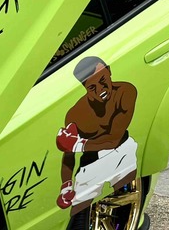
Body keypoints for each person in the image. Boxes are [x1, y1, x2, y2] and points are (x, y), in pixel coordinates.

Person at [55, 56, 138, 210]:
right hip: (90, 163)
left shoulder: (126, 91)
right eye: (92, 87)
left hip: (121, 150)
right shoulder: (76, 114)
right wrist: (66, 186)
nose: (101, 89)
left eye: (102, 80)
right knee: (78, 210)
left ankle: (124, 224)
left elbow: (113, 139)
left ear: (109, 71)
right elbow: (68, 154)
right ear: (84, 87)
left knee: (126, 199)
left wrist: (77, 145)